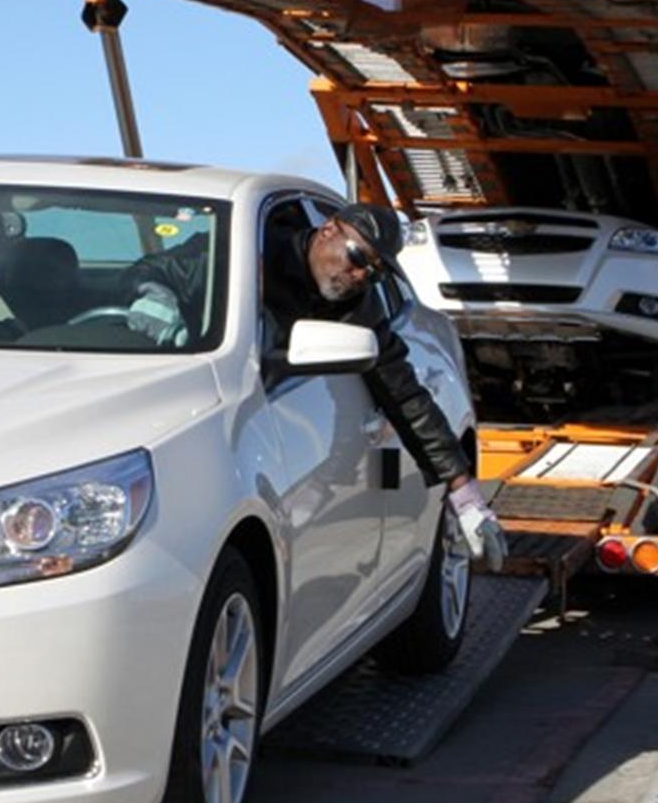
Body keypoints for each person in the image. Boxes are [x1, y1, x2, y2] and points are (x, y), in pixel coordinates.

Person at [125, 203, 507, 571]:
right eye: (357, 257)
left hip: (290, 446)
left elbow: (404, 395)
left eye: (374, 273)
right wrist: (155, 292)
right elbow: (149, 270)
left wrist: (465, 494)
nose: (361, 276)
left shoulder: (357, 307)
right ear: (327, 230)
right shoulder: (244, 253)